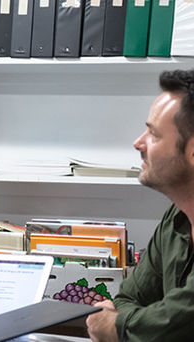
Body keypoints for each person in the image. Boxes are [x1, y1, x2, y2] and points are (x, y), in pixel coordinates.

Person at [86, 69, 194, 342]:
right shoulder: (175, 218)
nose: (138, 143)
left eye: (154, 135)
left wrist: (115, 327)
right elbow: (128, 297)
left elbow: (182, 317)